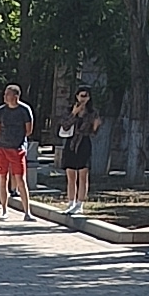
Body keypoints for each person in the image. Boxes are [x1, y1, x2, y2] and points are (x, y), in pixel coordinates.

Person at [57, 87, 101, 215]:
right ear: (76, 96)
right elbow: (64, 125)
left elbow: (93, 133)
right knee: (70, 174)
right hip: (71, 143)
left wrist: (95, 126)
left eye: (86, 96)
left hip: (84, 143)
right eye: (81, 95)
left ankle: (80, 204)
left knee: (83, 174)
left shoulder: (92, 112)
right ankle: (71, 202)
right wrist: (74, 113)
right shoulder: (69, 110)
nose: (83, 99)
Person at [0, 84, 35, 220]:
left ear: (16, 96)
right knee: (2, 179)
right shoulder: (1, 110)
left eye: (8, 94)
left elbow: (28, 130)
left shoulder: (24, 110)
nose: (5, 96)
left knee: (20, 179)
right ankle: (4, 211)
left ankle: (27, 212)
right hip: (2, 148)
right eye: (5, 94)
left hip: (17, 149)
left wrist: (17, 140)